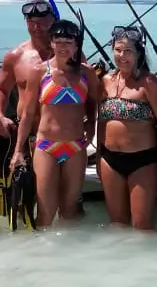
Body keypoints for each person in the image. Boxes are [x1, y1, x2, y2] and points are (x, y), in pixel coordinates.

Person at [11, 19, 100, 227]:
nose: (63, 47)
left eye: (68, 42)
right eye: (58, 41)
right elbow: (27, 113)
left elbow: (95, 101)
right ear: (51, 43)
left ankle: (66, 256)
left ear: (76, 45)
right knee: (45, 213)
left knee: (69, 212)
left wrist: (91, 124)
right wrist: (18, 151)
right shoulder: (39, 72)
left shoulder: (86, 73)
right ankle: (41, 256)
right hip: (46, 146)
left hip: (76, 146)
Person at [96, 25, 157, 230]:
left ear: (138, 54)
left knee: (142, 227)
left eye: (128, 51)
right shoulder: (105, 81)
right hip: (109, 160)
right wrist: (98, 157)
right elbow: (101, 122)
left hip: (143, 161)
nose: (122, 56)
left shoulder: (149, 83)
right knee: (117, 224)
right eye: (118, 50)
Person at [0, 0, 57, 218]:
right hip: (26, 139)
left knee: (63, 205)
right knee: (21, 206)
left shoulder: (68, 54)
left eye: (42, 21)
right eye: (31, 21)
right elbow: (0, 89)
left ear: (53, 20)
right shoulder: (16, 56)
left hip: (60, 136)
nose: (37, 26)